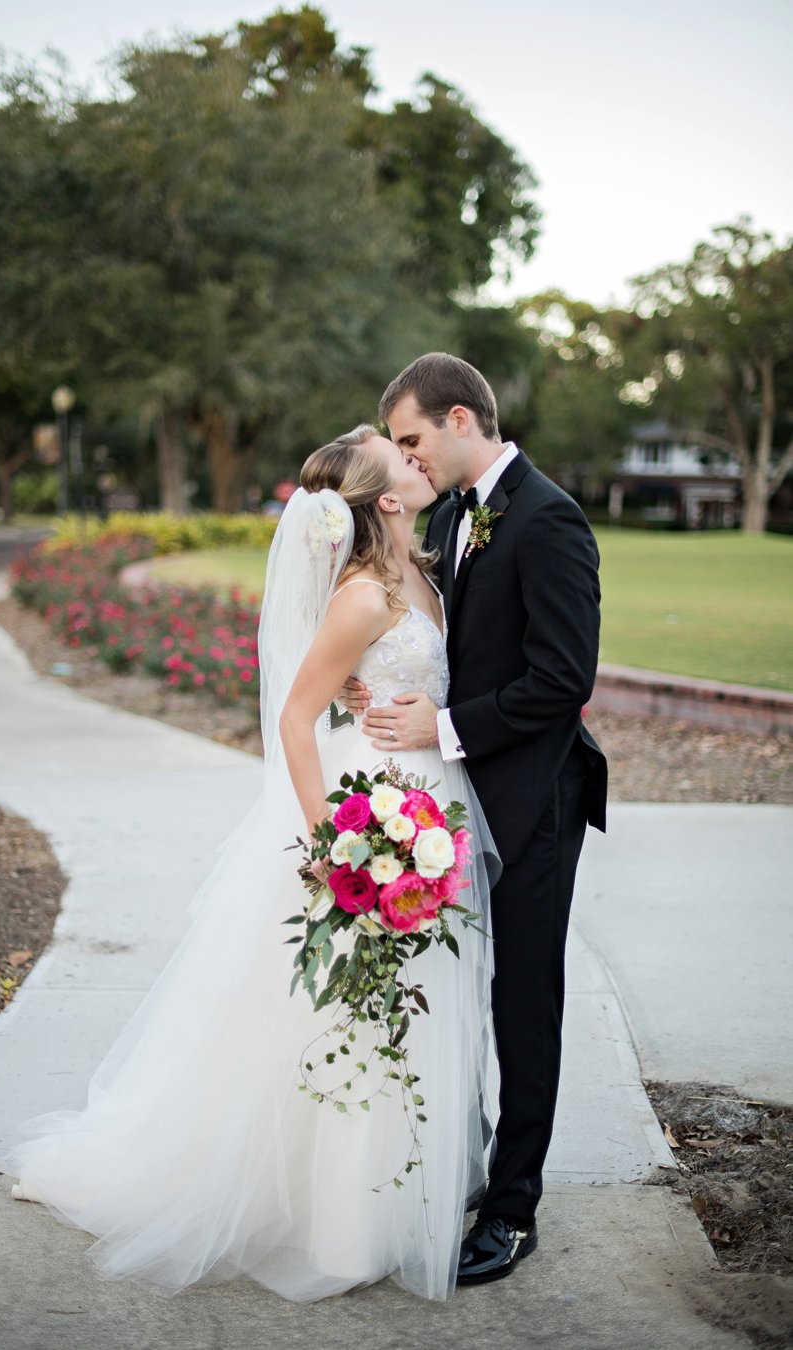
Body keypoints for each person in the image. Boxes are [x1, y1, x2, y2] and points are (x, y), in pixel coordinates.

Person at [0, 424, 501, 1304]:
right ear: (384, 499)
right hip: (371, 822)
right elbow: (296, 717)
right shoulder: (360, 596)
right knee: (354, 1014)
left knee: (416, 1013)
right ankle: (345, 1225)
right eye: (401, 459)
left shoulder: (421, 570)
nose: (417, 463)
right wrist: (332, 846)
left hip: (432, 803)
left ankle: (403, 1195)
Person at [341, 353, 607, 1284]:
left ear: (460, 420)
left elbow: (563, 681)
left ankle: (513, 1209)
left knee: (522, 1001)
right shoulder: (451, 516)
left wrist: (443, 725)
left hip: (536, 798)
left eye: (411, 438)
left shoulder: (550, 519)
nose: (404, 458)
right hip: (457, 803)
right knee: (456, 986)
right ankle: (464, 1161)